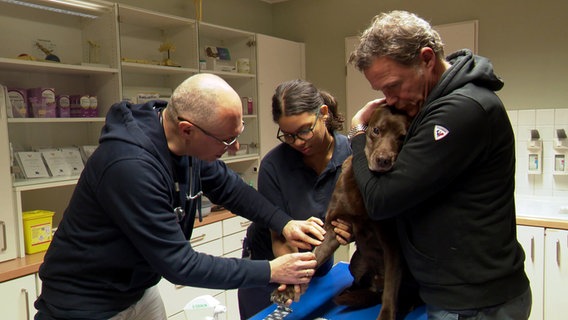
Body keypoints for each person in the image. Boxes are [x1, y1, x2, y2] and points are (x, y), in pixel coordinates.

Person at [34, 73, 327, 320]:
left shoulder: (183, 142)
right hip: (84, 304)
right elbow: (180, 264)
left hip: (137, 289)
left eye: (238, 134)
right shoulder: (129, 167)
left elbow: (229, 187)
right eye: (227, 140)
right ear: (187, 129)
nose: (236, 147)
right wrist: (270, 270)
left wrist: (284, 223)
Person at [346, 10, 531, 320]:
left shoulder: (460, 110)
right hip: (456, 295)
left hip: (475, 304)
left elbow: (381, 199)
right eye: (382, 92)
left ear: (427, 59)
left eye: (393, 86)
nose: (389, 100)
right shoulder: (432, 105)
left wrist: (358, 133)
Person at [237, 79, 353, 319]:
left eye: (304, 130)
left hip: (317, 267)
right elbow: (280, 238)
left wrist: (352, 229)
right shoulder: (273, 166)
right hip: (269, 270)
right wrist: (293, 276)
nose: (298, 142)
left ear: (323, 114)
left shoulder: (350, 156)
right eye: (288, 135)